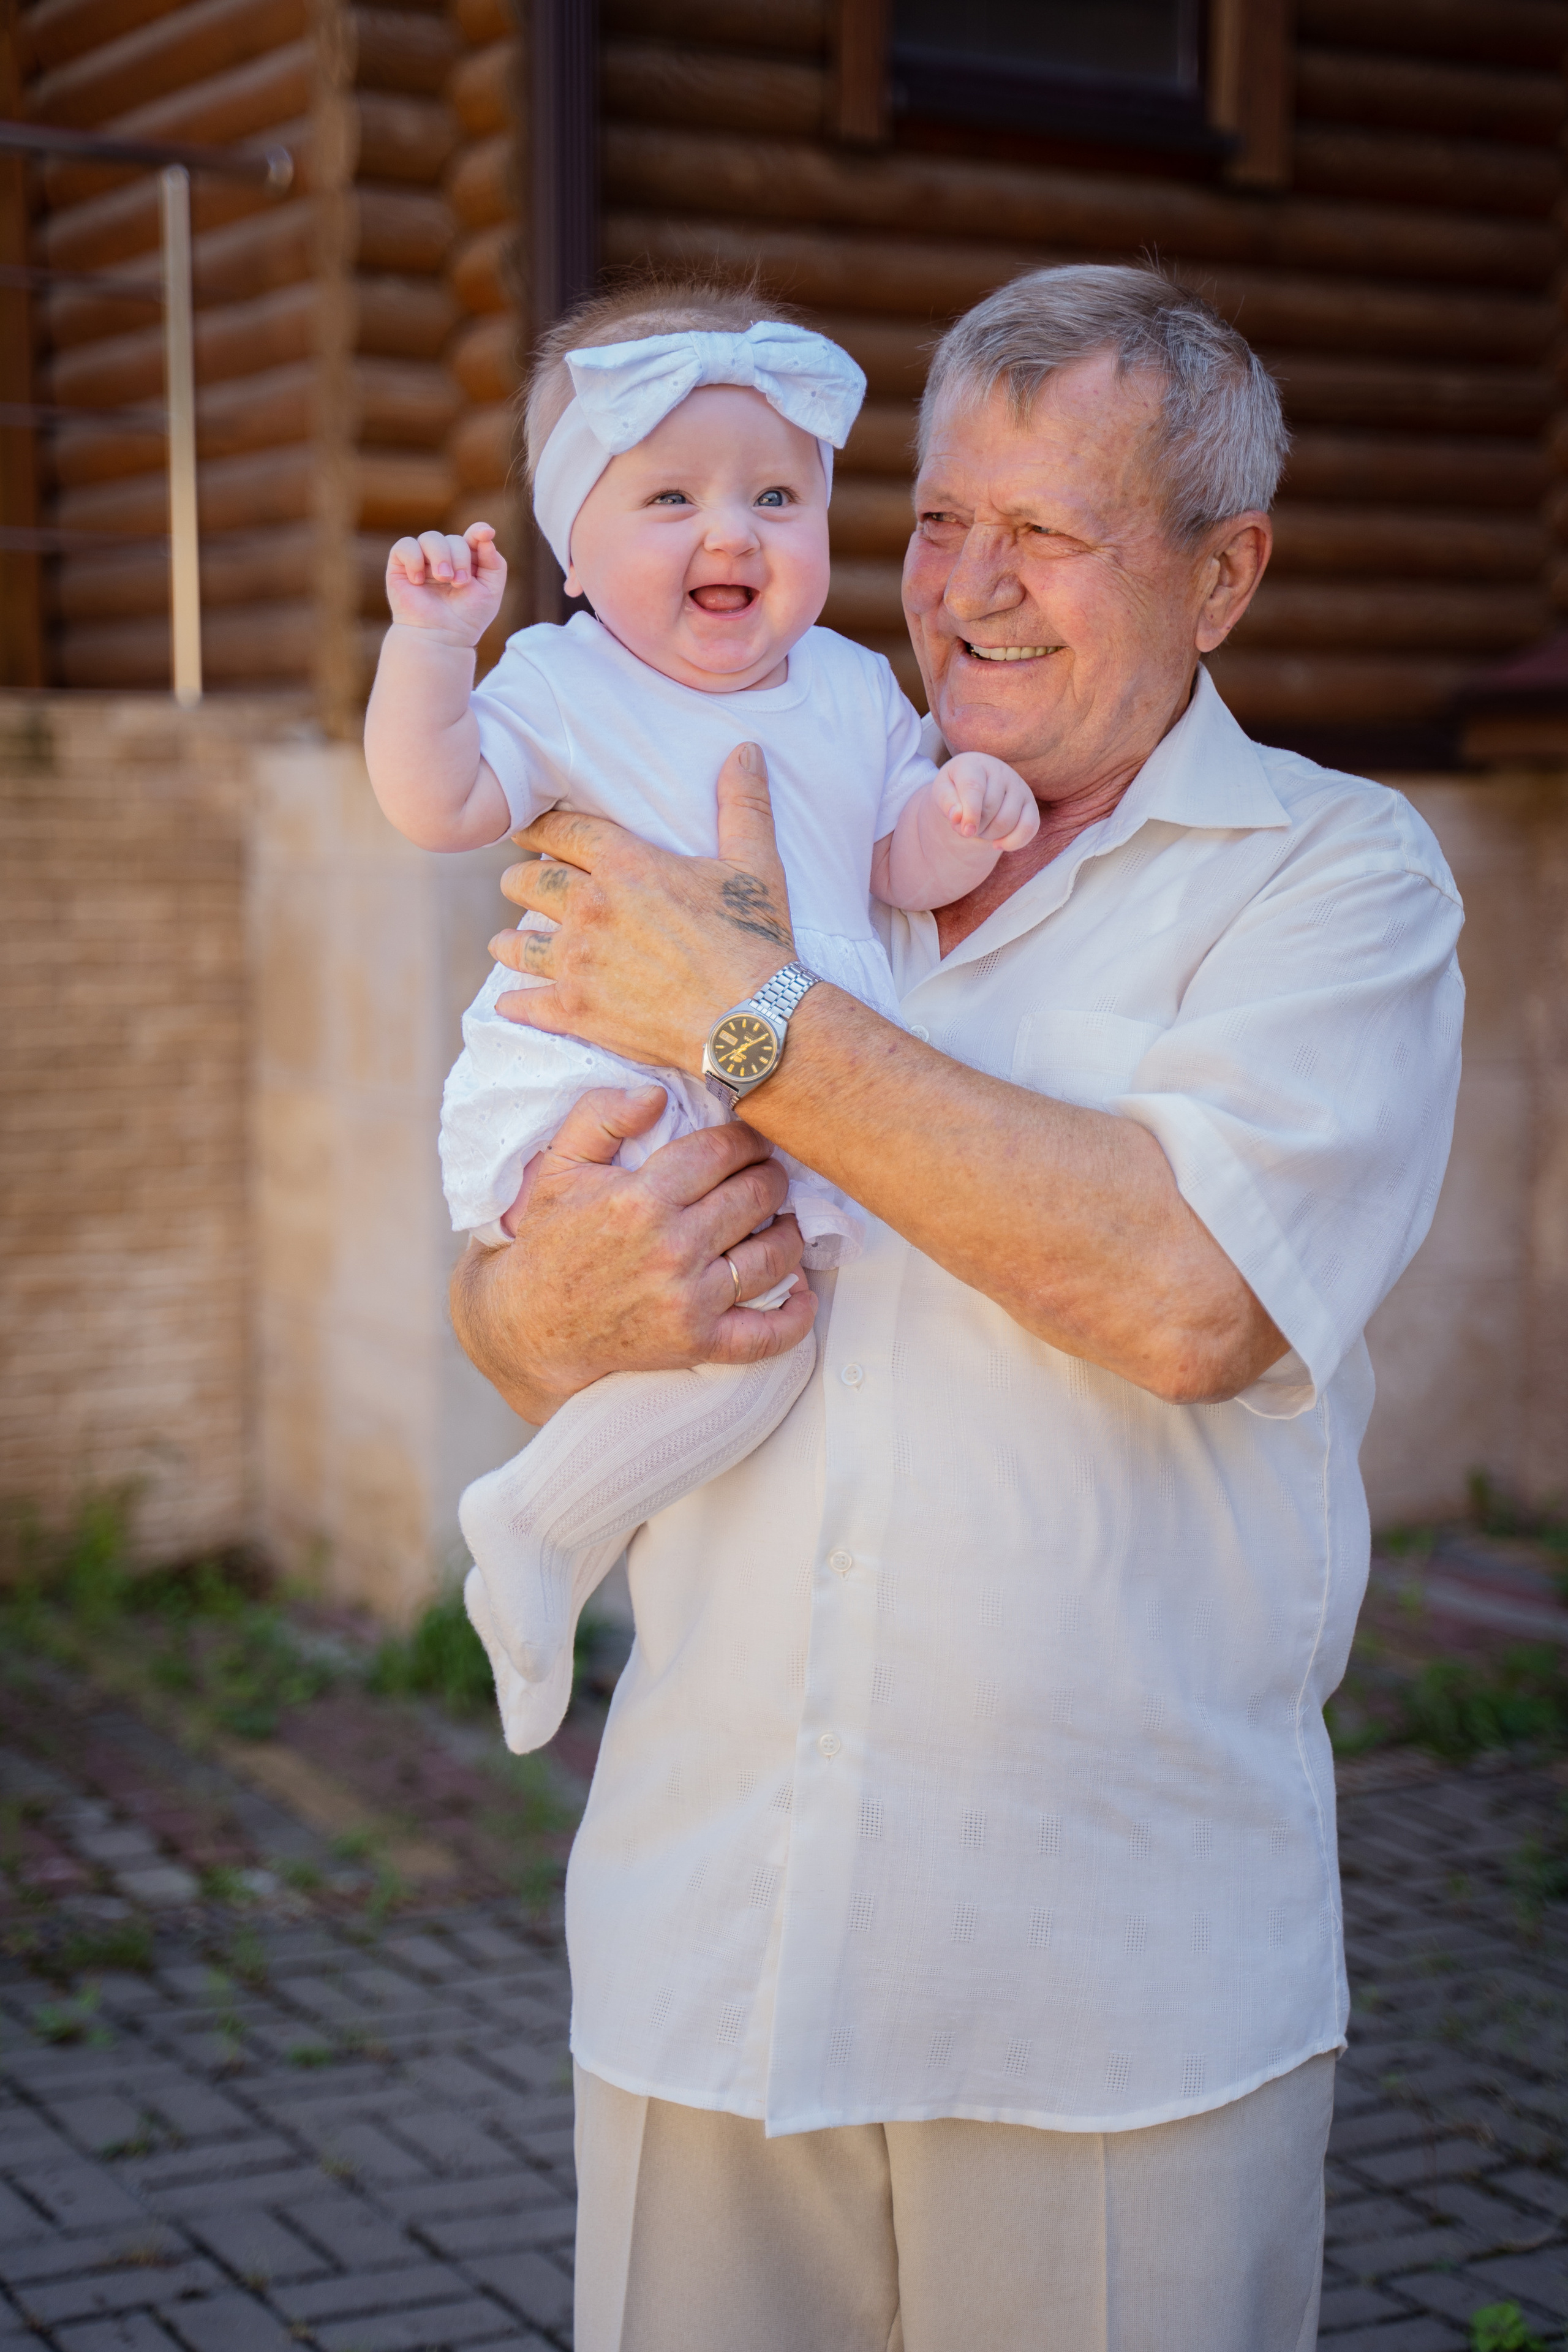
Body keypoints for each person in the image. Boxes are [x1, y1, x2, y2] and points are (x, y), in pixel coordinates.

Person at [450, 265, 1464, 2351]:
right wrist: (549, 1308)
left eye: (1050, 535)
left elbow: (1191, 1296)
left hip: (1106, 2002)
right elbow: (511, 1300)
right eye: (933, 521)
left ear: (1223, 573)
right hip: (706, 1950)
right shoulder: (772, 765)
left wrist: (744, 1012)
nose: (964, 589)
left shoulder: (1334, 882)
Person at [361, 285, 1036, 1754]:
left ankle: (537, 1526)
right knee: (732, 1323)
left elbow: (887, 866)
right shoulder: (559, 680)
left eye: (775, 495)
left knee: (767, 1338)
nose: (729, 532)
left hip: (796, 1085)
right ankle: (541, 1529)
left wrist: (959, 816)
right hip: (600, 1078)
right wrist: (433, 648)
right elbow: (438, 801)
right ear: (576, 551)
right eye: (669, 496)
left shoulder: (855, 691)